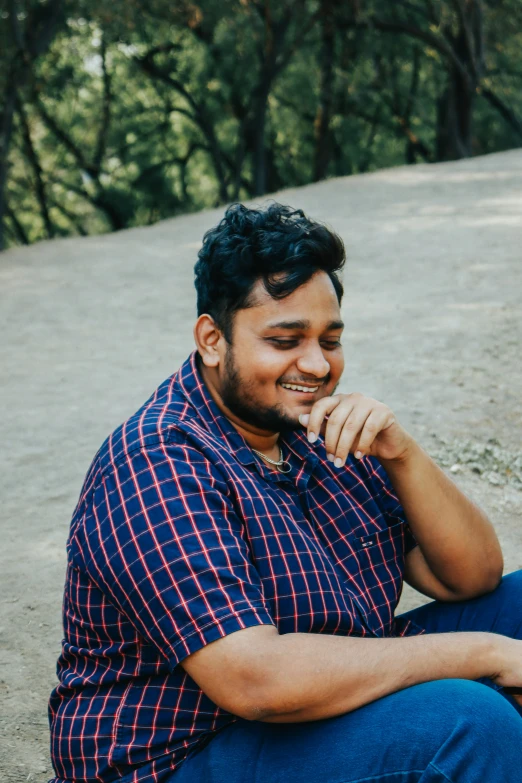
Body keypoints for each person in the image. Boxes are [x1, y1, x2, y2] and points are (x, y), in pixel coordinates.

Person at [48, 203, 522, 783]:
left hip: (314, 702)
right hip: (183, 752)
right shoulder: (156, 460)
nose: (318, 364)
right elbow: (258, 679)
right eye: (285, 339)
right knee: (466, 724)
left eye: (331, 339)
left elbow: (470, 577)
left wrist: (401, 452)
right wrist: (485, 655)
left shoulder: (317, 429)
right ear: (212, 339)